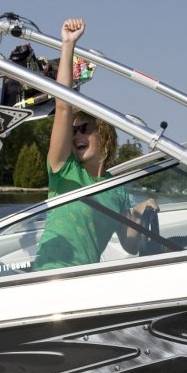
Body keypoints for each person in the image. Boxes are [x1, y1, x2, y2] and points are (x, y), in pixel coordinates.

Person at [34, 18, 121, 269]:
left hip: (86, 280)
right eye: (72, 131)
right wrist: (67, 44)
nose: (75, 136)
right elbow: (63, 107)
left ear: (104, 133)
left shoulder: (119, 188)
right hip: (52, 274)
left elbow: (132, 244)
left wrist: (142, 212)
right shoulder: (64, 169)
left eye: (83, 128)